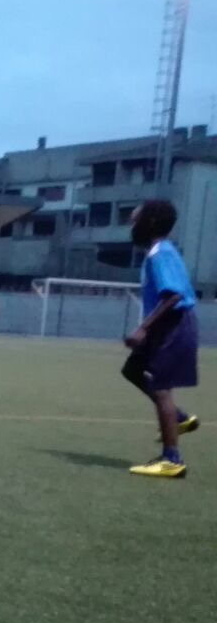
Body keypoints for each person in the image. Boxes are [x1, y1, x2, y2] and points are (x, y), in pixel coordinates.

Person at [122, 200, 200, 478]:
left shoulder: (160, 254)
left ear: (151, 221)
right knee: (132, 369)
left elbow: (174, 295)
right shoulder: (159, 252)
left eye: (136, 218)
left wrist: (143, 328)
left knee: (161, 386)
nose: (132, 222)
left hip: (172, 325)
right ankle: (178, 418)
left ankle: (171, 459)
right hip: (164, 325)